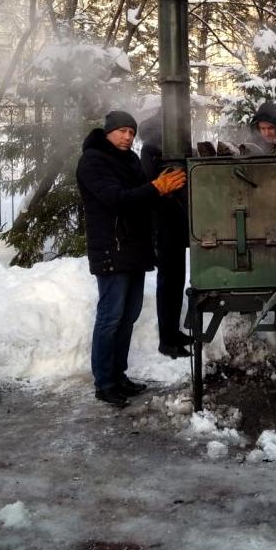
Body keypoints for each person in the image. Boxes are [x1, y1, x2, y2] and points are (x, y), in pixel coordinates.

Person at [76, 110, 186, 407]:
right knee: (110, 317)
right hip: (111, 248)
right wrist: (156, 187)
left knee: (128, 316)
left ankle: (119, 376)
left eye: (131, 132)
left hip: (134, 249)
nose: (128, 137)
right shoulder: (93, 161)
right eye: (122, 131)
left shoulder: (131, 160)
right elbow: (116, 199)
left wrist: (160, 189)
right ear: (108, 132)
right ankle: (104, 382)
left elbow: (141, 196)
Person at [138, 112, 193, 359]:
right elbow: (153, 186)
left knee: (176, 280)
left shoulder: (172, 148)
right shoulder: (151, 149)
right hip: (163, 224)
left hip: (175, 224)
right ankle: (166, 339)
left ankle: (173, 332)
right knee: (168, 283)